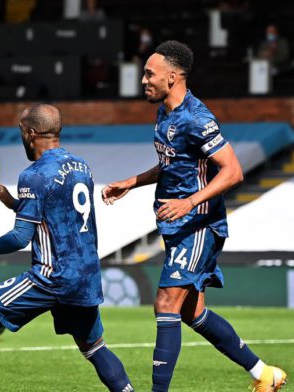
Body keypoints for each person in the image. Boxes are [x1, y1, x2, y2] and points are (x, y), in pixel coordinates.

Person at [101, 40, 287, 392]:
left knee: (165, 303)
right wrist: (133, 181)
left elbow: (232, 171)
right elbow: (173, 163)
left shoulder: (197, 118)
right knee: (191, 313)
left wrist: (189, 202)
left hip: (199, 225)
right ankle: (264, 374)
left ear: (172, 77)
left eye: (149, 73)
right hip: (177, 226)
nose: (143, 79)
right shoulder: (165, 114)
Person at [0, 104, 134, 392]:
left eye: (22, 131)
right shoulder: (80, 165)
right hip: (85, 276)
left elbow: (19, 238)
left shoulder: (35, 174)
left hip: (51, 277)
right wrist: (14, 202)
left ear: (31, 133)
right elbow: (56, 214)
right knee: (94, 347)